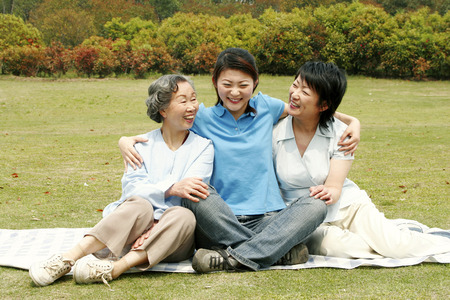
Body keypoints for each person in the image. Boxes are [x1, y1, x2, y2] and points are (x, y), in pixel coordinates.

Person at [118, 48, 361, 273]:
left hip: (268, 219)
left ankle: (229, 258)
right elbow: (165, 127)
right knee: (195, 193)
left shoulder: (267, 106)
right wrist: (124, 140)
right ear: (215, 83)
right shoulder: (201, 116)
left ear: (254, 83)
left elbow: (310, 106)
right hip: (218, 221)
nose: (235, 92)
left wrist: (353, 122)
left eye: (243, 85)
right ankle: (274, 252)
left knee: (315, 205)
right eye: (227, 84)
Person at [29, 75, 214, 288]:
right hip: (131, 231)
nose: (192, 107)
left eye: (194, 99)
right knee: (139, 204)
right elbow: (132, 188)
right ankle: (66, 259)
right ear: (163, 110)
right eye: (183, 101)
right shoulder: (140, 145)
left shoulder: (203, 147)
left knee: (184, 215)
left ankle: (114, 269)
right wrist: (170, 189)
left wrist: (156, 223)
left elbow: (191, 190)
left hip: (172, 239)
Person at [272, 61, 450, 259]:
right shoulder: (274, 131)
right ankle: (386, 240)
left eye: (305, 92)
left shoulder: (341, 132)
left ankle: (418, 240)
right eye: (295, 85)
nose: (295, 94)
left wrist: (330, 191)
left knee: (396, 247)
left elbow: (334, 187)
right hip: (303, 217)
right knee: (341, 249)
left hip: (348, 206)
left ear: (323, 104)